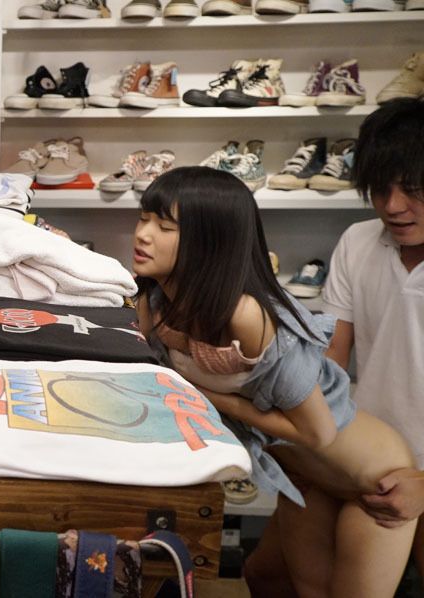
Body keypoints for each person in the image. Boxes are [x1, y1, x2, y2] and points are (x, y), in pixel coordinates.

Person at [131, 165, 418, 597]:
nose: (143, 234)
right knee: (273, 581)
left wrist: (213, 398)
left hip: (377, 481)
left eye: (164, 226)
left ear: (211, 240)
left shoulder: (246, 315)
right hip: (308, 475)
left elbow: (319, 432)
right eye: (143, 218)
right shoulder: (154, 304)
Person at [244, 98, 424, 597]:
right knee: (265, 574)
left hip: (409, 471)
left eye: (412, 190)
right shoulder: (360, 241)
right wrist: (300, 441)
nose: (392, 206)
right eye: (380, 188)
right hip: (357, 449)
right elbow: (327, 362)